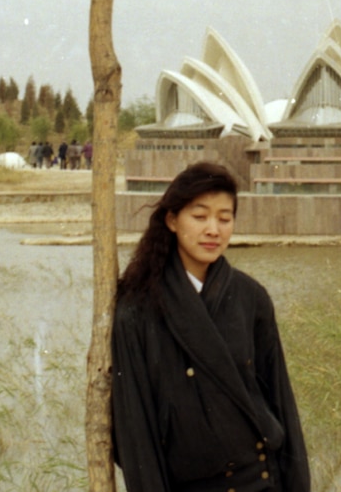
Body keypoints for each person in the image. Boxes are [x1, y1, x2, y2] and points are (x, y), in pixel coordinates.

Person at [111, 162, 311, 492]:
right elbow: (137, 432)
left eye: (224, 218)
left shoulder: (251, 298)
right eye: (200, 216)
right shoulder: (137, 309)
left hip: (262, 481)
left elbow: (281, 403)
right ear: (172, 220)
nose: (213, 230)